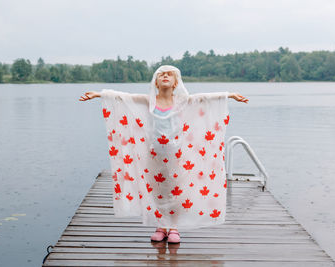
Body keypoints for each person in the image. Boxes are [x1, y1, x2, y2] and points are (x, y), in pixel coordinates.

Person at [79, 65, 248, 243]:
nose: (165, 76)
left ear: (176, 82)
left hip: (177, 156)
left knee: (175, 190)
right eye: (161, 75)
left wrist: (229, 95)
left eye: (170, 75)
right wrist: (100, 94)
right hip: (154, 155)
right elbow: (125, 98)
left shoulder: (183, 101)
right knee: (157, 190)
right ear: (156, 82)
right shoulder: (149, 101)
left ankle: (173, 227)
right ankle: (160, 226)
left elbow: (204, 98)